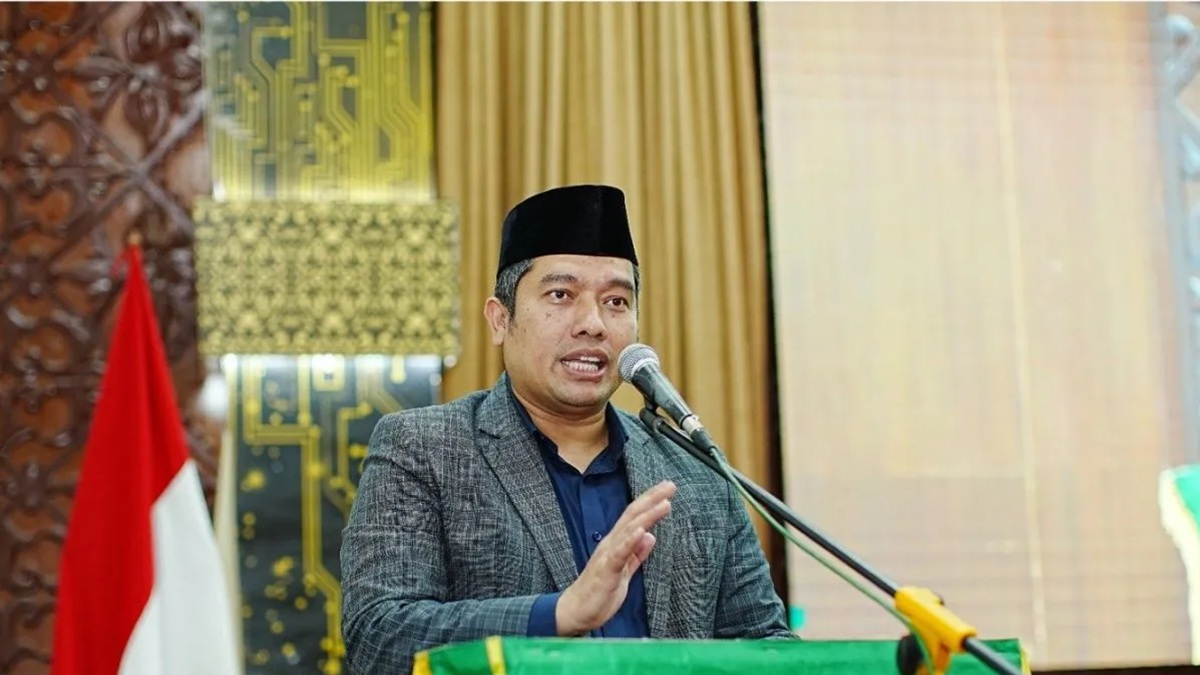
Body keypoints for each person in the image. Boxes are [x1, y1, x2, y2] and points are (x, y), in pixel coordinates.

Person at [339, 184, 791, 675]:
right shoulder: (425, 448)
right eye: (561, 294)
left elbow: (766, 646)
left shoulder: (697, 473)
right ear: (500, 319)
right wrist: (559, 614)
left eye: (616, 301)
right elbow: (379, 636)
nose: (593, 324)